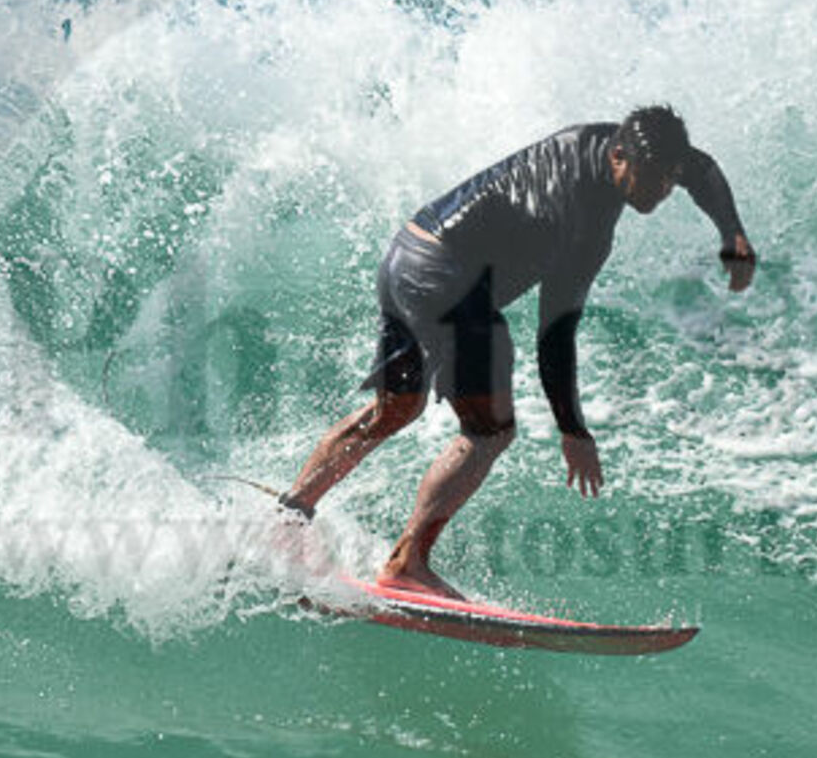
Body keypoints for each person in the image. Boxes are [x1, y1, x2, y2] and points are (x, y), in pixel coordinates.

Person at [279, 105, 754, 598]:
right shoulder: (578, 218)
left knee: (395, 409)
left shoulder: (613, 144)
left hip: (408, 256)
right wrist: (572, 429)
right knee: (490, 431)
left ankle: (290, 516)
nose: (663, 190)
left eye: (670, 179)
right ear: (620, 158)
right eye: (655, 179)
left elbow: (699, 168)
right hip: (447, 281)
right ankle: (407, 564)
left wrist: (733, 233)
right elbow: (555, 334)